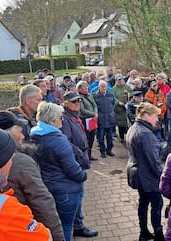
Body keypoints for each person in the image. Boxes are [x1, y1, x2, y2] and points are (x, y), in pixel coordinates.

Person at [0, 110, 65, 241]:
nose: (22, 137)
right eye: (19, 132)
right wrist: (58, 237)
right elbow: (42, 203)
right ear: (4, 134)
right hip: (25, 228)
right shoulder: (20, 162)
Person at [30, 102, 87, 241]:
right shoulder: (59, 140)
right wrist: (83, 175)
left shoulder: (35, 135)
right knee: (66, 226)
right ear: (51, 120)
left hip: (48, 186)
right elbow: (72, 169)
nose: (62, 119)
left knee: (55, 224)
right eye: (59, 117)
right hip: (66, 189)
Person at [61, 92, 98, 238]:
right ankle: (78, 226)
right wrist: (80, 153)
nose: (77, 103)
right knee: (77, 195)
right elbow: (65, 142)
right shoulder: (65, 119)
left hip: (79, 161)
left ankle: (78, 224)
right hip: (74, 162)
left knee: (79, 194)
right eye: (74, 101)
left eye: (79, 101)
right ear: (65, 103)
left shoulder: (74, 116)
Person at [126, 102, 165, 241]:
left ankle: (143, 232)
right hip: (148, 176)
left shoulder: (134, 128)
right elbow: (153, 161)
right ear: (146, 116)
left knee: (143, 203)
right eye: (155, 116)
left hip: (139, 173)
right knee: (157, 204)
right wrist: (162, 176)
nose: (157, 119)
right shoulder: (145, 133)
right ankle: (158, 235)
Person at [93, 81, 116, 158]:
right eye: (102, 86)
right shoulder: (95, 95)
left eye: (105, 86)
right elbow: (94, 107)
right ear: (99, 87)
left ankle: (109, 150)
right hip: (101, 119)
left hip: (109, 118)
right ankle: (102, 152)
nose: (103, 88)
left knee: (110, 136)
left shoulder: (110, 94)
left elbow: (113, 103)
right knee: (101, 137)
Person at [113, 74, 132, 141]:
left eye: (121, 79)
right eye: (118, 80)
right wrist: (118, 102)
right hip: (118, 108)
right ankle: (121, 137)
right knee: (120, 123)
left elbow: (132, 94)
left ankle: (127, 135)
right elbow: (113, 97)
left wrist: (128, 94)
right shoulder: (114, 88)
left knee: (127, 123)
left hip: (126, 107)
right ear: (116, 80)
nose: (120, 81)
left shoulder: (127, 87)